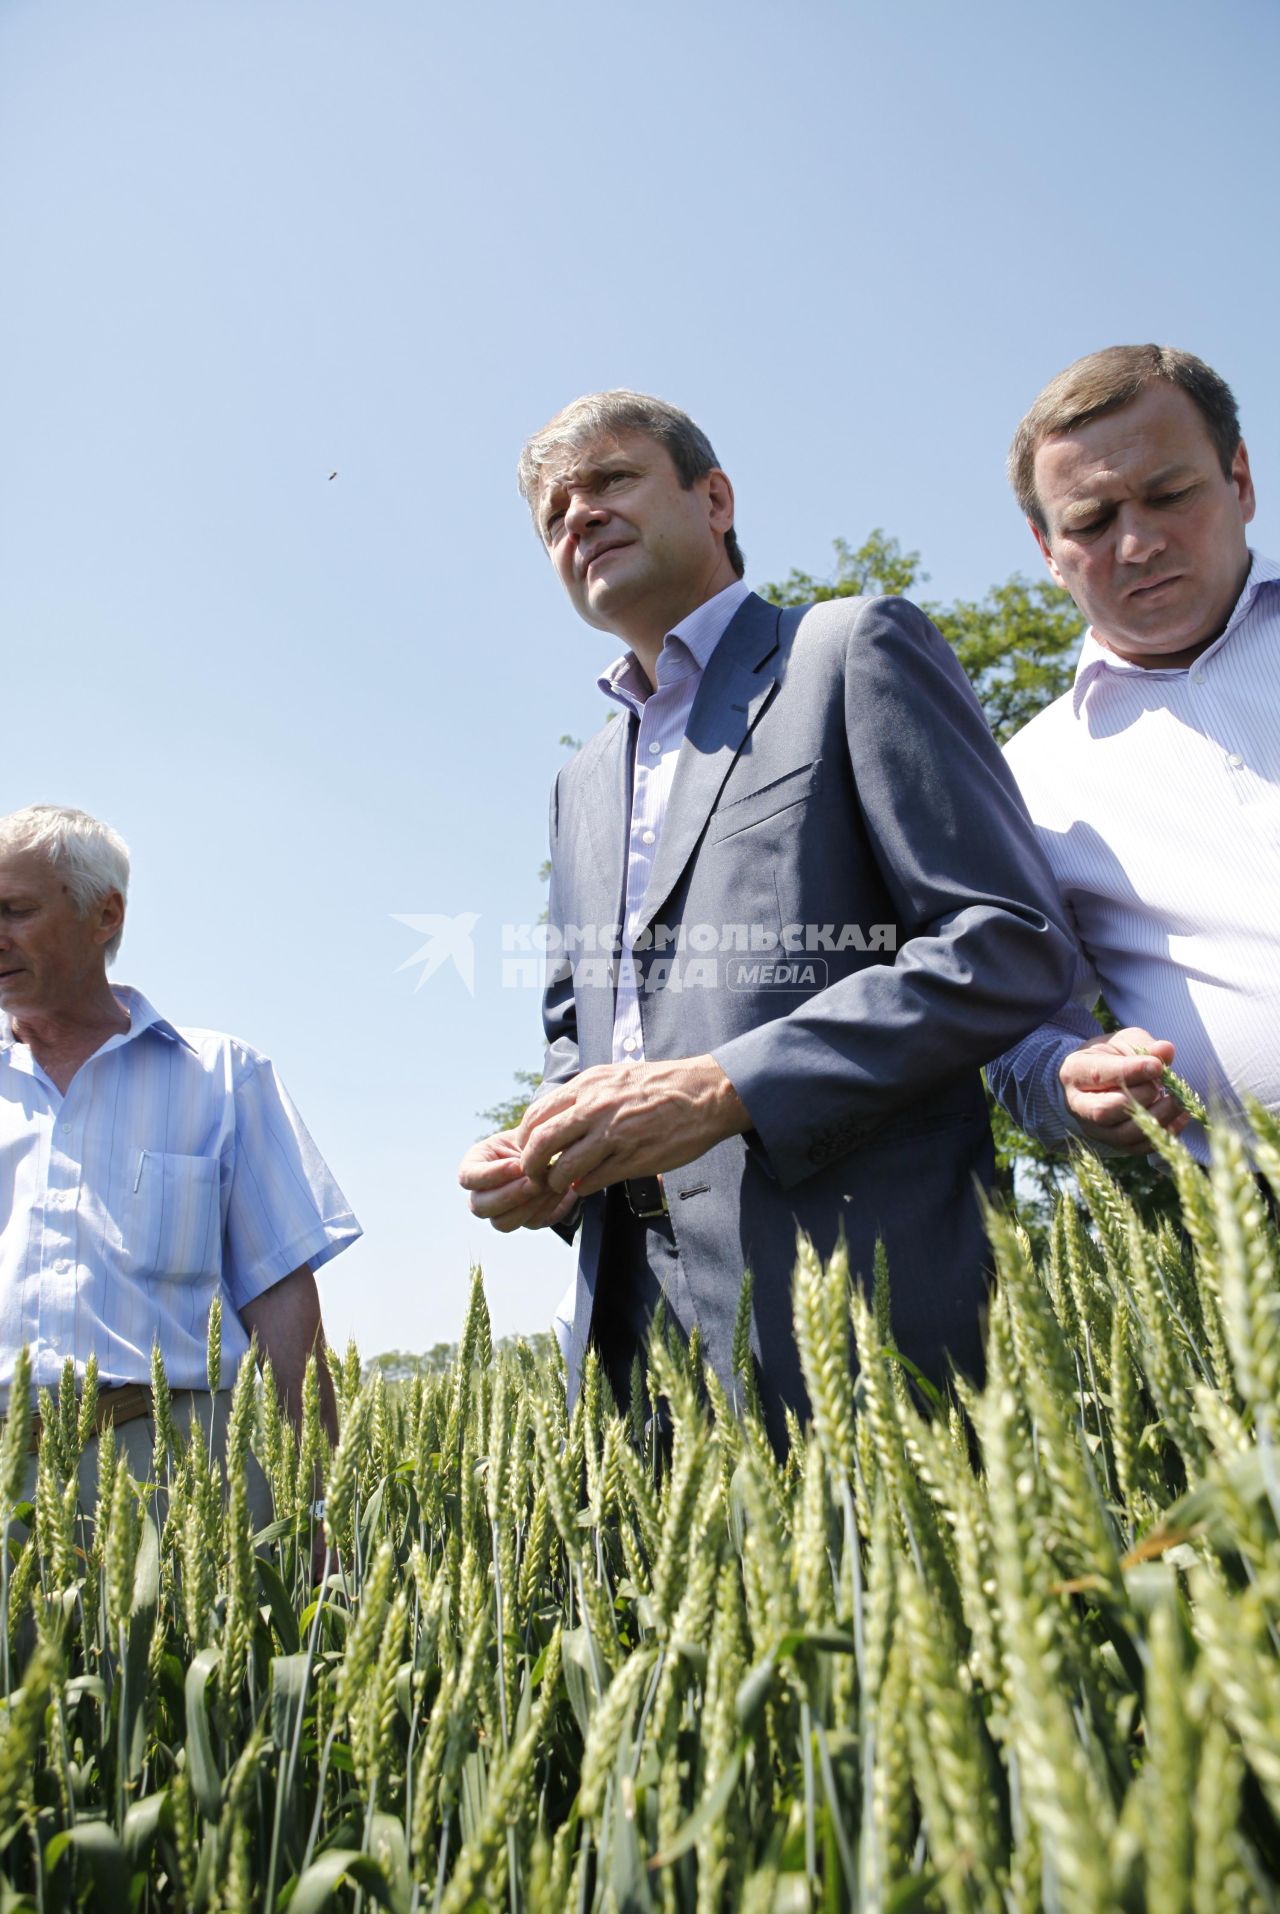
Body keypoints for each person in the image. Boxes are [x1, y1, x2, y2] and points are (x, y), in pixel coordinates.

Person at [458, 392, 1075, 1441]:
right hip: (638, 1342)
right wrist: (543, 1153)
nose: (579, 518)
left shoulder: (849, 650)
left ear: (713, 498)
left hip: (857, 1305)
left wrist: (726, 1087)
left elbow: (1005, 942)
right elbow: (580, 1033)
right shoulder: (579, 783)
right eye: (552, 513)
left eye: (610, 480)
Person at [0, 804, 359, 1517]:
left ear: (104, 915)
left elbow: (283, 1301)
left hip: (178, 1469)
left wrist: (322, 1507)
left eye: (16, 909)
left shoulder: (224, 1077)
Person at [986, 346, 1280, 1162]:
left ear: (1241, 479)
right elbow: (1021, 1028)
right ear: (1047, 550)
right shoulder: (1024, 782)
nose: (1139, 543)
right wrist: (1066, 1078)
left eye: (1170, 493)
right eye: (1090, 522)